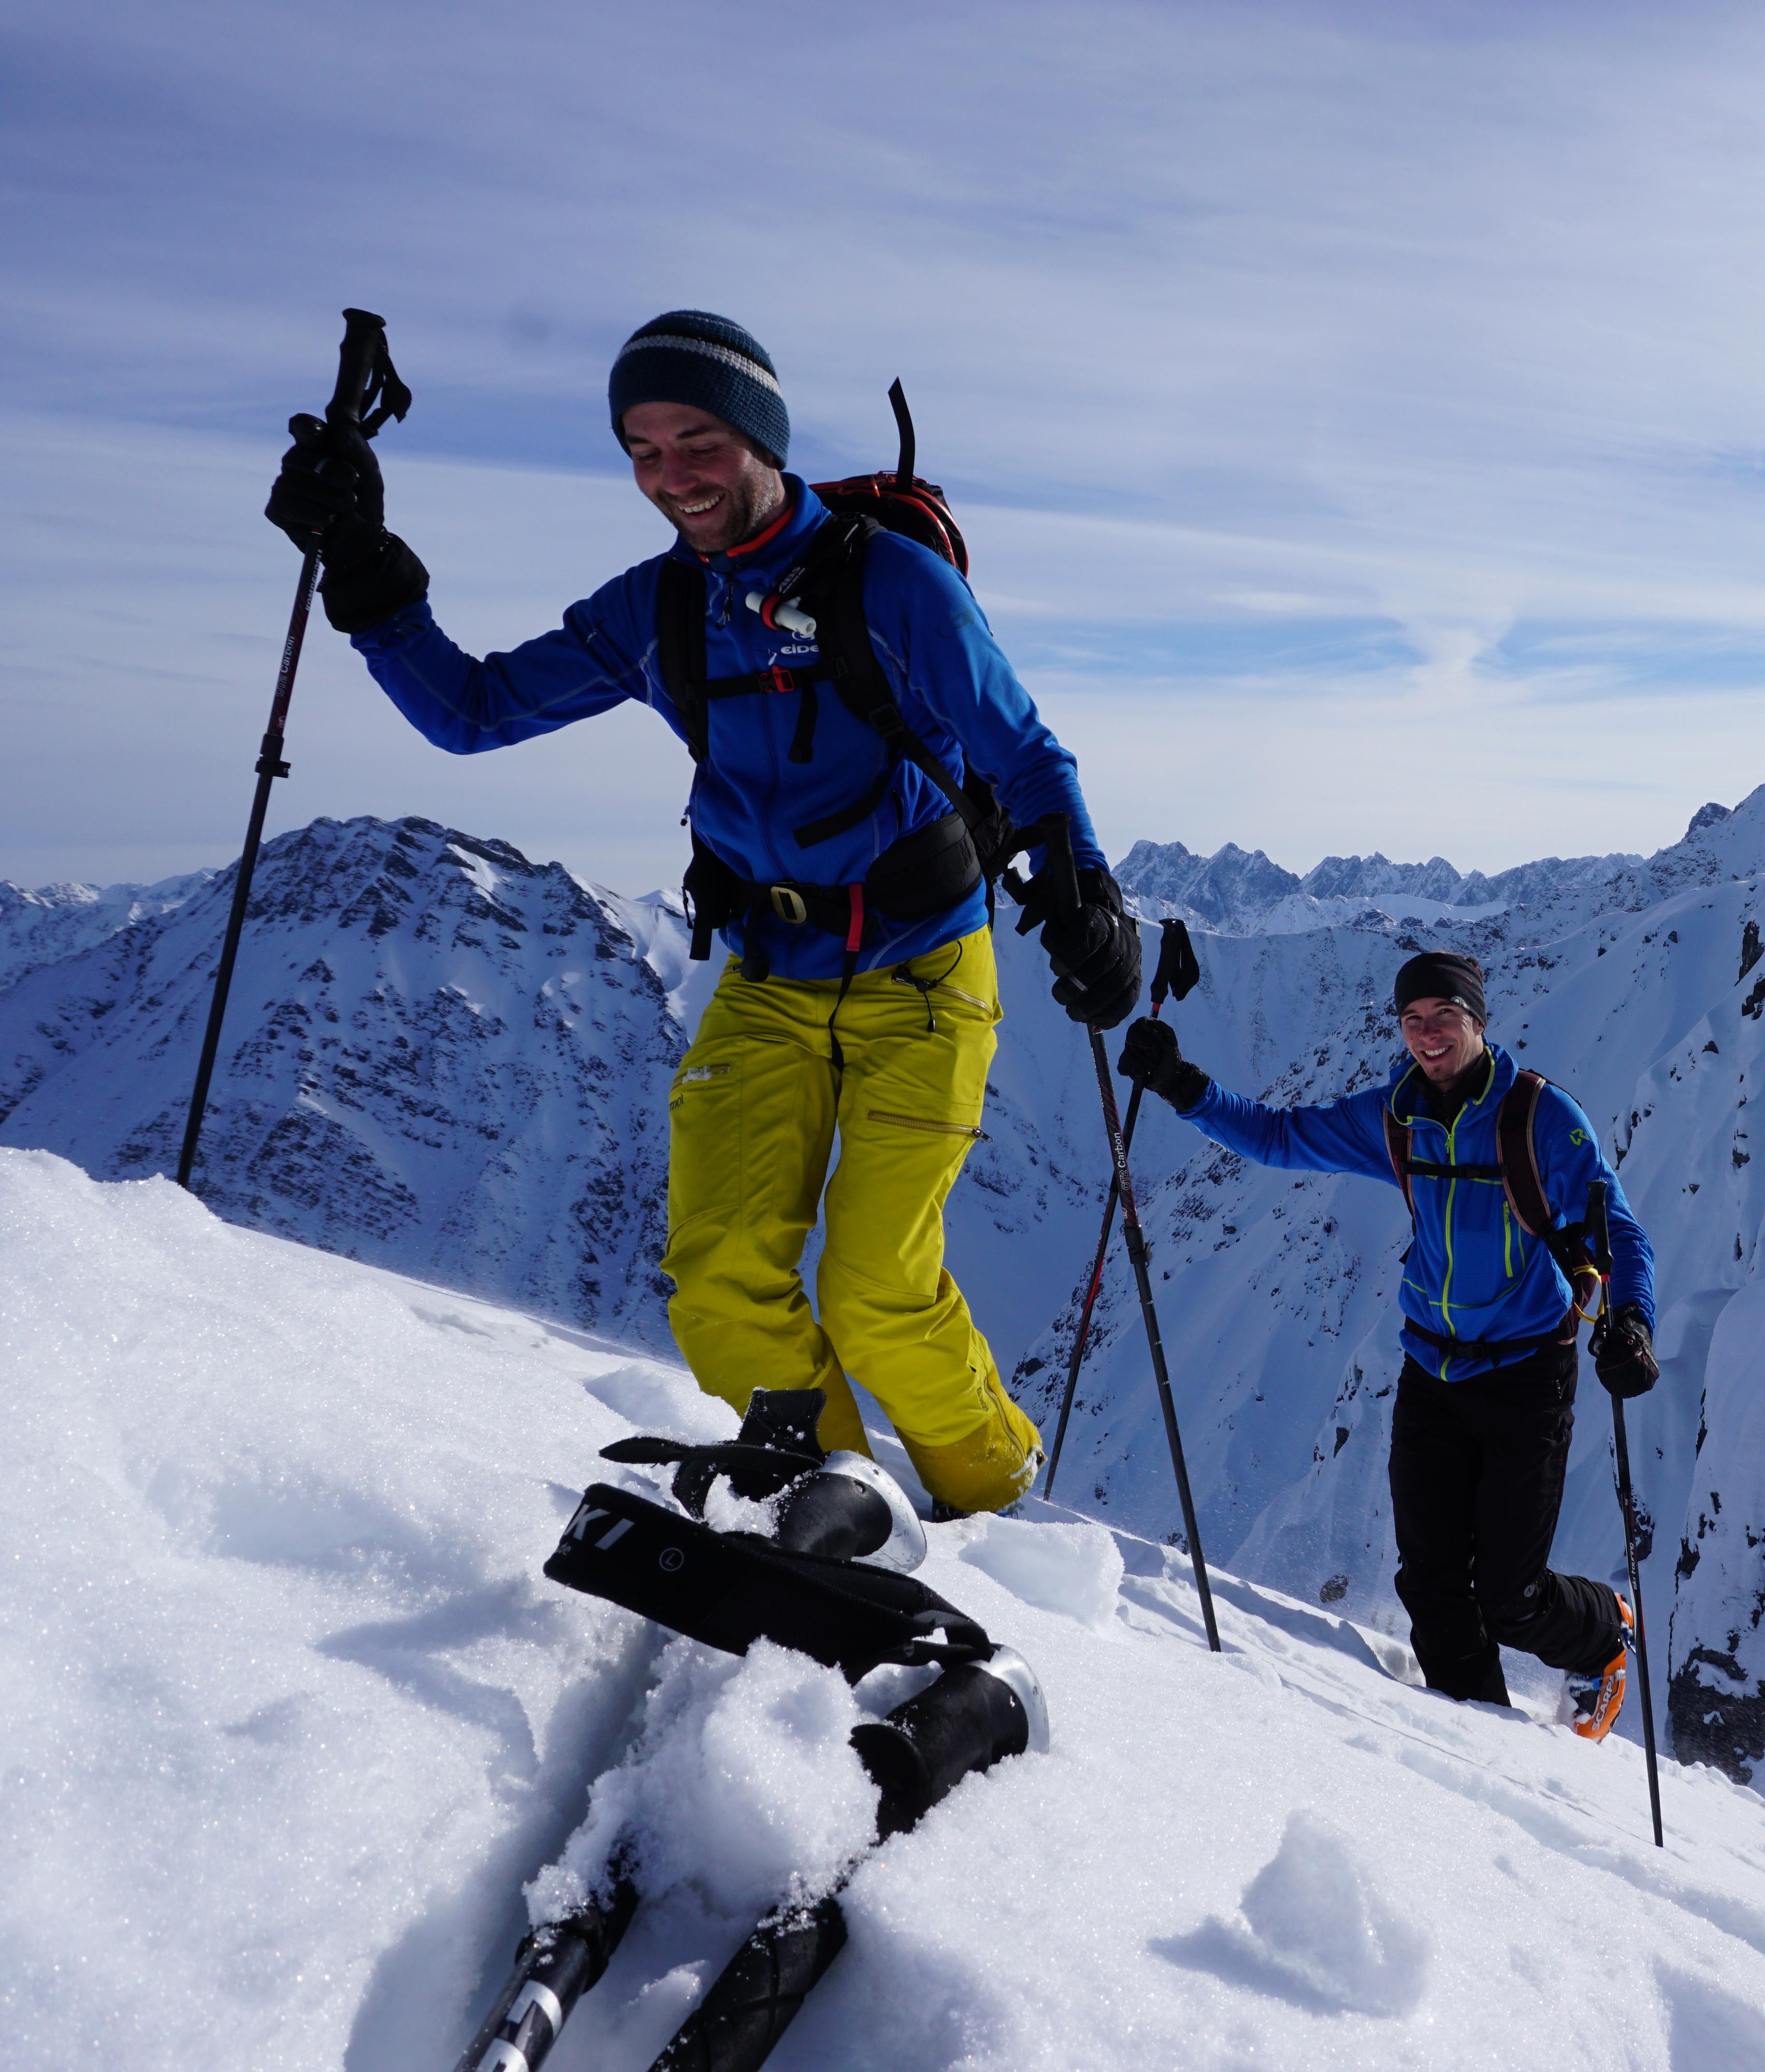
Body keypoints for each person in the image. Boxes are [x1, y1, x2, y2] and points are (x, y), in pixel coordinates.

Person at [263, 310, 1138, 1515]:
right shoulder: (659, 610)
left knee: (880, 1284)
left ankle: (996, 1506)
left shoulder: (894, 584)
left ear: (762, 438)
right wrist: (362, 564)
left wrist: (1090, 896)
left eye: (699, 441)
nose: (671, 476)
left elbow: (1027, 758)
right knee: (719, 1274)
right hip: (769, 979)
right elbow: (471, 710)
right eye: (642, 449)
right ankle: (831, 1498)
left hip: (923, 976)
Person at [1115, 949, 1658, 1735]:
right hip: (1432, 1372)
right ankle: (1485, 1752)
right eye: (1412, 1021)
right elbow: (1278, 1137)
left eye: (1444, 1017)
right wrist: (1181, 1085)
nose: (1428, 1035)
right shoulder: (1395, 1117)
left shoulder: (1537, 1118)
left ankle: (1604, 1631)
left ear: (1478, 1020)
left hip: (1528, 1378)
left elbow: (1621, 1230)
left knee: (1511, 1599)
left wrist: (1633, 1321)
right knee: (1434, 1589)